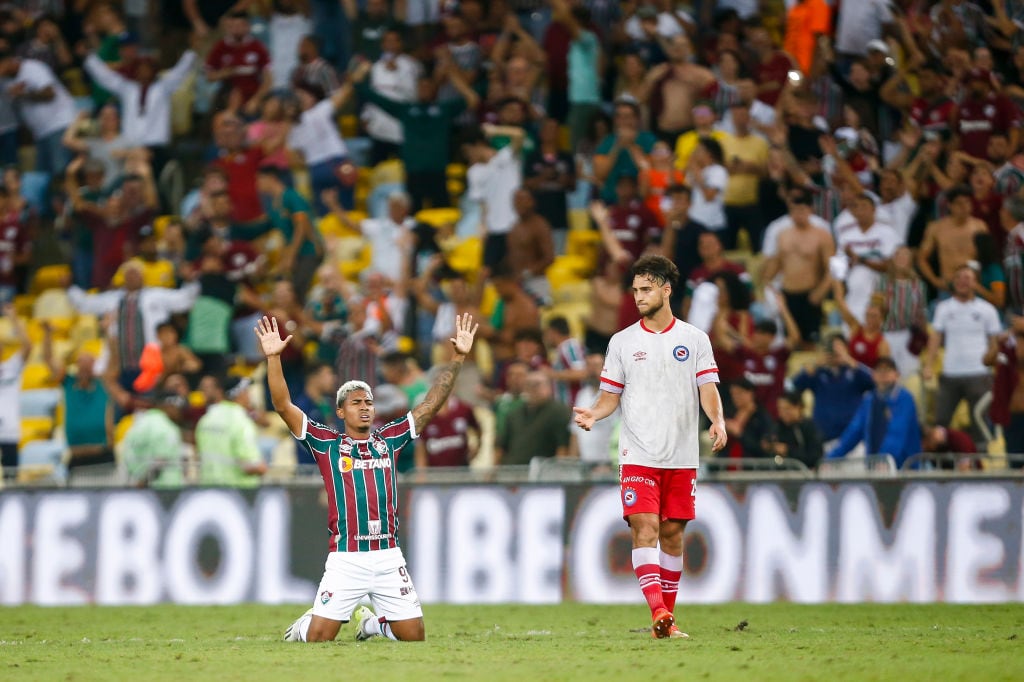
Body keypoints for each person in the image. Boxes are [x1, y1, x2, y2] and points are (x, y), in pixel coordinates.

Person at [264, 312, 478, 643]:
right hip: (347, 557)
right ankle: (306, 624)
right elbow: (282, 404)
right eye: (356, 403)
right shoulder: (327, 443)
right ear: (340, 412)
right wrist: (274, 357)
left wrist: (459, 357)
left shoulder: (389, 439)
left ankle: (371, 625)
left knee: (413, 635)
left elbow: (431, 404)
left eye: (369, 402)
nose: (365, 407)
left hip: (388, 553)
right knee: (320, 638)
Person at [574, 255, 727, 640]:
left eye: (646, 289)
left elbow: (707, 388)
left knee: (673, 535)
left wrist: (718, 420)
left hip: (681, 456)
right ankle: (658, 610)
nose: (638, 296)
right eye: (636, 289)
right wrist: (594, 413)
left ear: (666, 289)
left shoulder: (694, 340)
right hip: (638, 454)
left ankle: (666, 622)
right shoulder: (622, 342)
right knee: (645, 527)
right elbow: (610, 396)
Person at [923, 265, 1003, 448]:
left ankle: (981, 464)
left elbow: (995, 343)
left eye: (967, 278)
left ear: (975, 282)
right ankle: (942, 466)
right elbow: (935, 338)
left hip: (979, 373)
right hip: (950, 373)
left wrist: (995, 369)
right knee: (940, 422)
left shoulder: (987, 310)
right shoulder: (943, 308)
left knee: (979, 421)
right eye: (958, 277)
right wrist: (928, 365)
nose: (962, 281)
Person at [825, 356, 921, 470]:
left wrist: (884, 459)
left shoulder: (904, 399)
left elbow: (897, 432)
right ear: (873, 375)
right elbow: (853, 432)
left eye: (888, 370)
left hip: (905, 469)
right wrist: (829, 459)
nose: (883, 373)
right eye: (879, 370)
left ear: (897, 375)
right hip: (875, 467)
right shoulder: (869, 400)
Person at [791, 333, 875, 447]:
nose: (835, 352)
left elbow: (876, 382)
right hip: (825, 436)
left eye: (839, 348)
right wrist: (815, 365)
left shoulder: (855, 372)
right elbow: (794, 386)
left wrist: (850, 361)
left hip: (853, 438)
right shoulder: (818, 372)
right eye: (831, 348)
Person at [195, 376, 268, 487]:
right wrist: (263, 468)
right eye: (247, 391)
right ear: (240, 393)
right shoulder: (241, 421)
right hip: (238, 493)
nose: (249, 395)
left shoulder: (206, 419)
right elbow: (250, 466)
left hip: (209, 490)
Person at [496, 370, 572, 465]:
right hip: (513, 470)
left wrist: (558, 471)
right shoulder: (514, 413)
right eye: (528, 384)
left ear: (548, 387)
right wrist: (494, 471)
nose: (532, 388)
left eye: (536, 384)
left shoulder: (558, 411)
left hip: (543, 472)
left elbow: (563, 447)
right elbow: (501, 446)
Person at [122, 392, 187, 488]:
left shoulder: (138, 424)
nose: (180, 412)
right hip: (165, 488)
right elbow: (160, 461)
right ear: (168, 405)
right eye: (178, 407)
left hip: (135, 484)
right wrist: (141, 483)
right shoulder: (167, 428)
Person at [0, 305, 30, 480]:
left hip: (9, 432)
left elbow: (28, 346)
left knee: (11, 479)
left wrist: (14, 319)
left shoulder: (10, 367)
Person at [413, 396, 480, 468]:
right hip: (435, 472)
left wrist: (476, 447)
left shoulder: (463, 409)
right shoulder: (425, 416)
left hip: (461, 470)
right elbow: (420, 447)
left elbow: (477, 429)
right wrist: (421, 473)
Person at [770, 391, 824, 470]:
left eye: (787, 408)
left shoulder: (808, 427)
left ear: (798, 407)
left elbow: (815, 455)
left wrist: (788, 450)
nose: (783, 413)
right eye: (780, 409)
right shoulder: (777, 427)